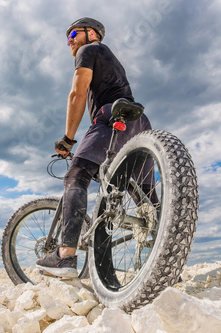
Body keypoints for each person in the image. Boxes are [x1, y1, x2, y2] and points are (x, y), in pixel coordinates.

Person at [36, 17, 153, 278]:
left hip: (112, 116)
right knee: (147, 199)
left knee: (77, 176)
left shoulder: (89, 50)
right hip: (140, 124)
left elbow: (77, 94)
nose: (70, 42)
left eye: (73, 34)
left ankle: (65, 256)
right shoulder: (112, 60)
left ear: (91, 34)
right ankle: (166, 257)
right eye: (68, 39)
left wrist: (67, 140)